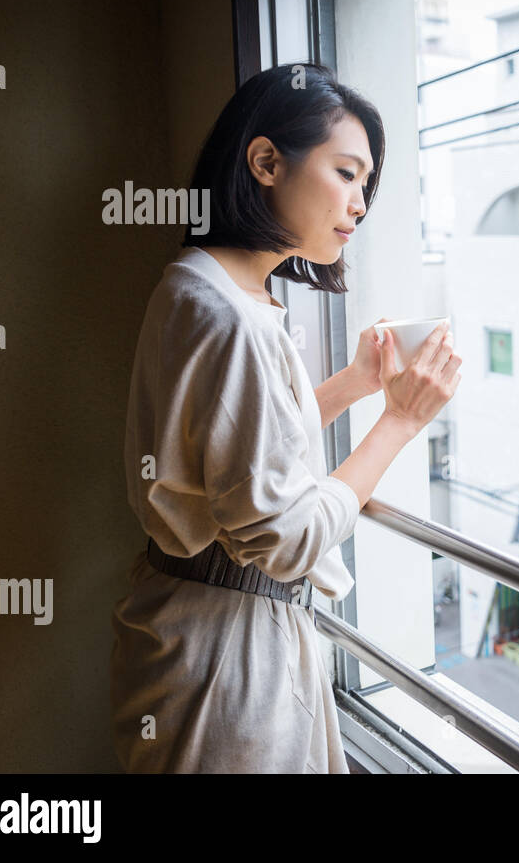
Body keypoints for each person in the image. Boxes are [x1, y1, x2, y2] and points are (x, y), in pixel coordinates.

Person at [110, 62, 461, 772]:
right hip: (228, 660)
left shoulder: (202, 283)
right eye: (346, 172)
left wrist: (355, 384)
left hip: (194, 625)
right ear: (266, 161)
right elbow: (285, 536)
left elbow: (238, 447)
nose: (360, 203)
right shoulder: (229, 315)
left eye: (366, 183)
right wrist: (398, 421)